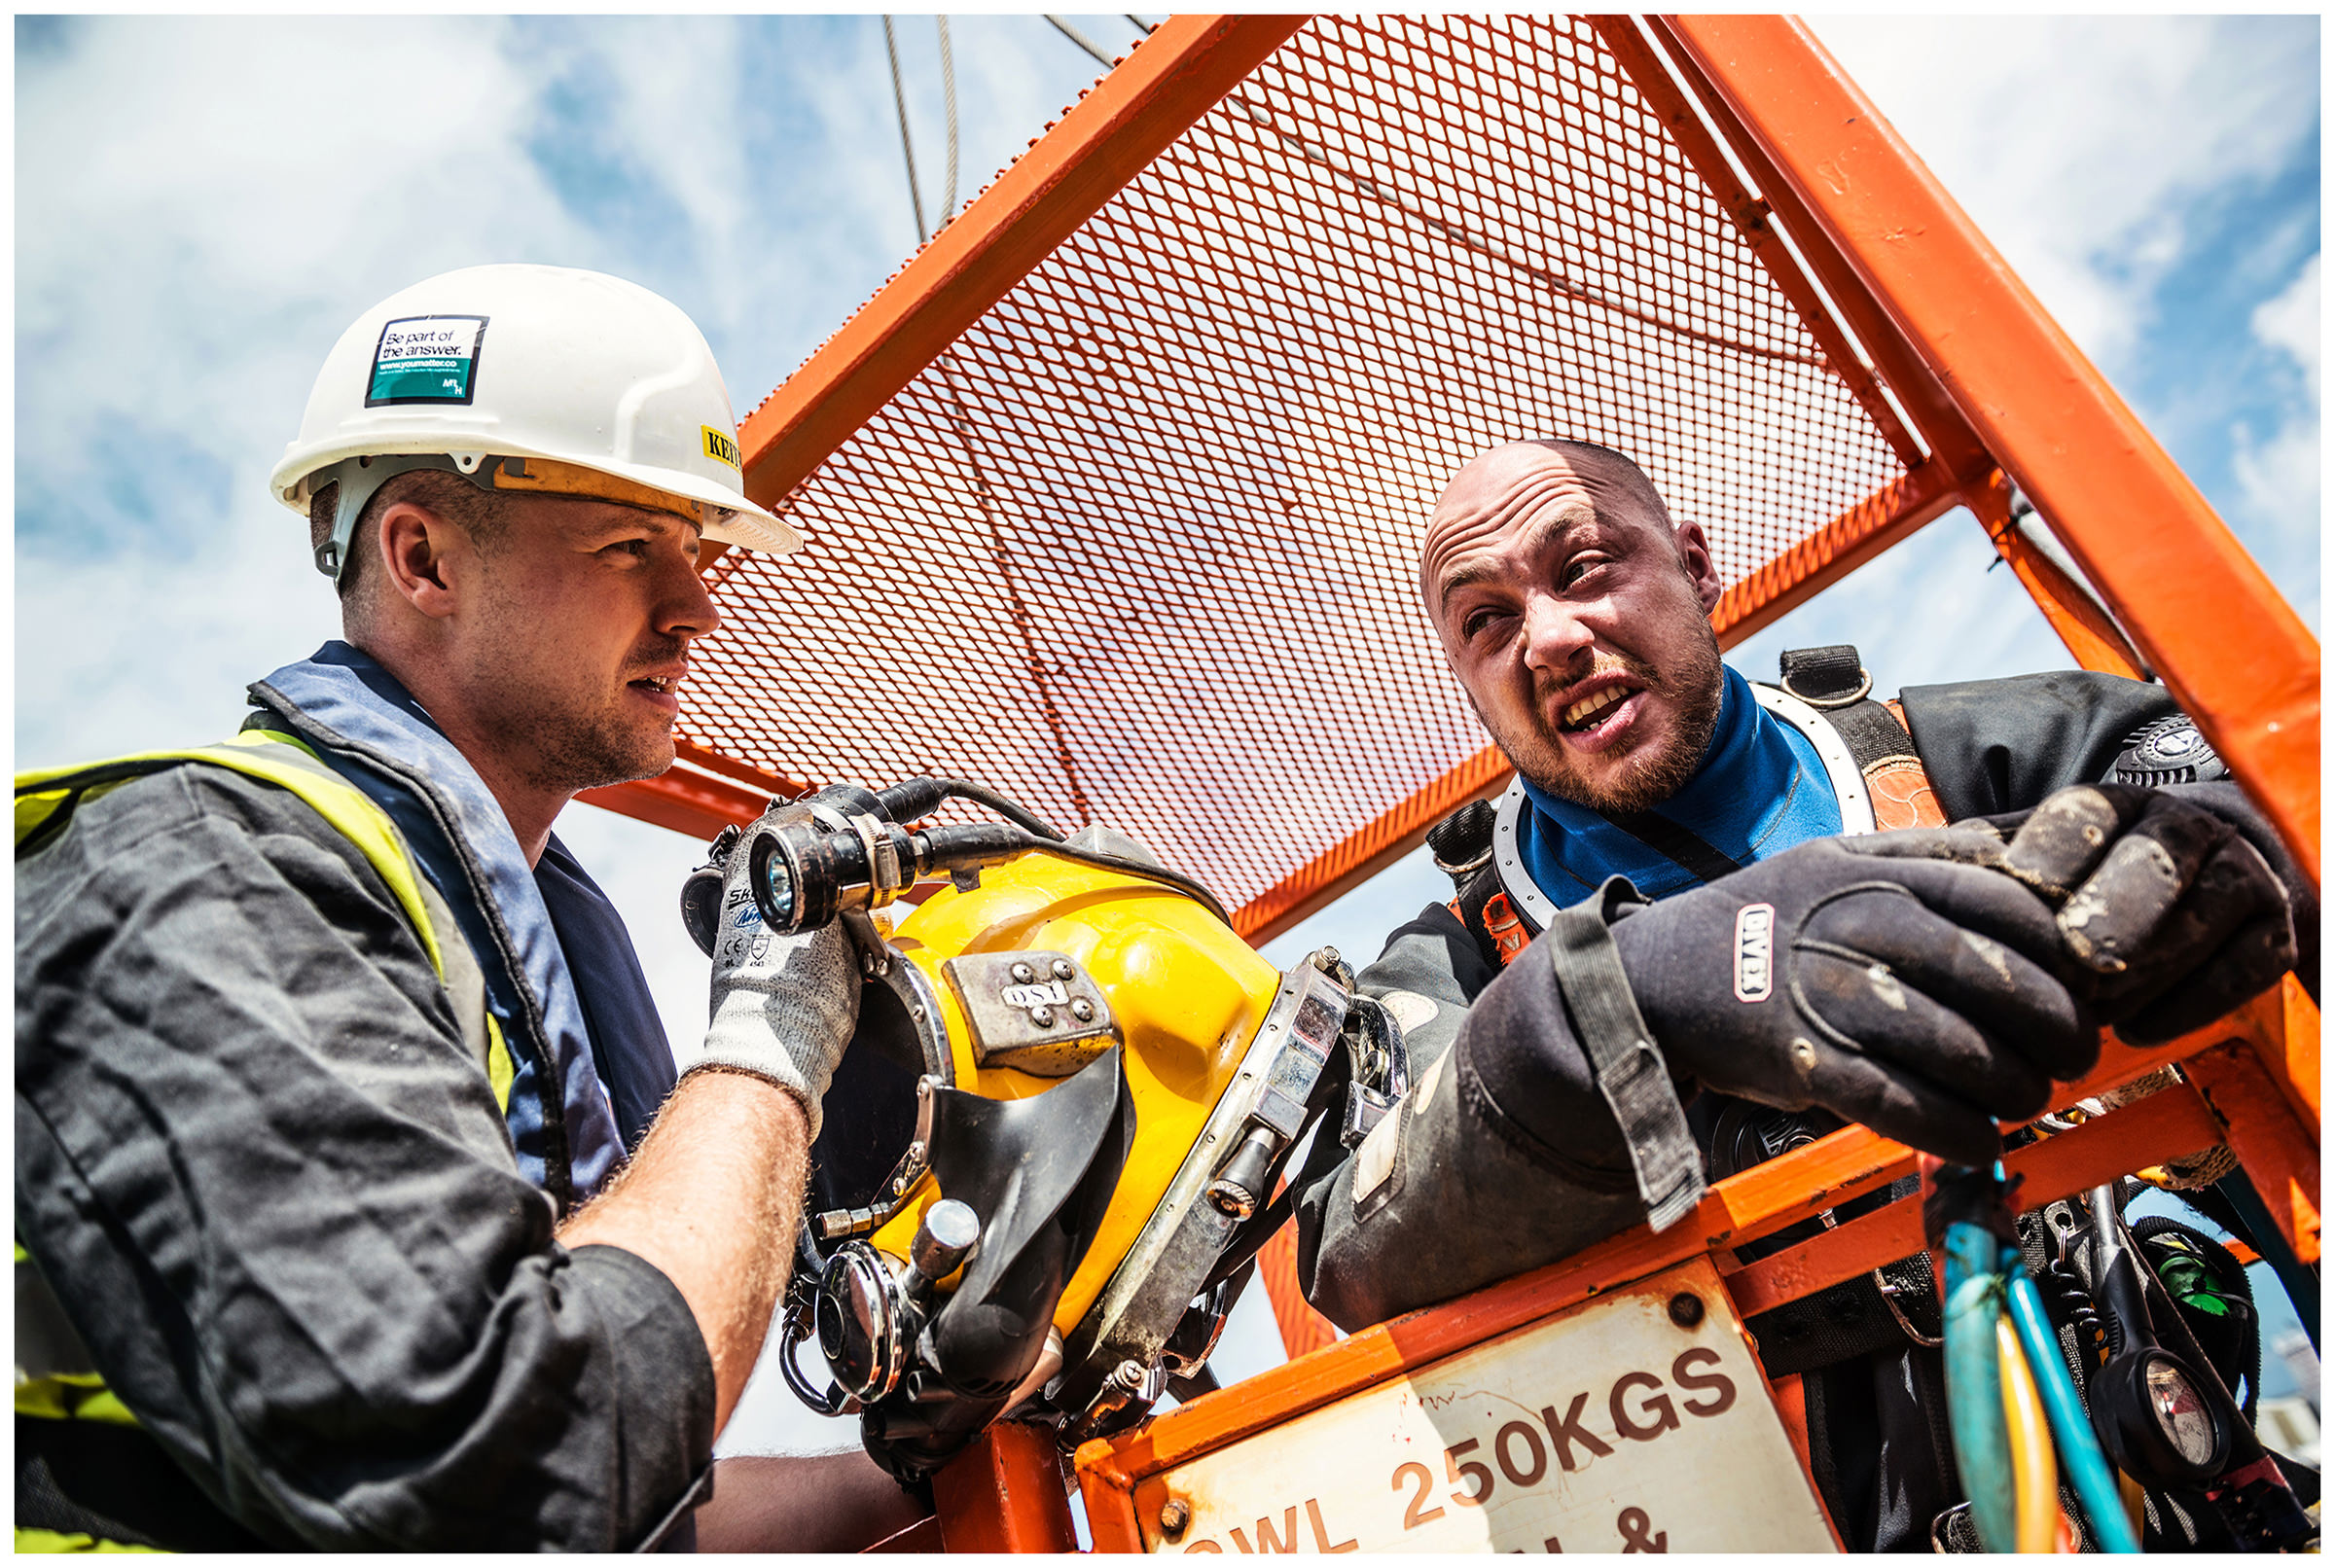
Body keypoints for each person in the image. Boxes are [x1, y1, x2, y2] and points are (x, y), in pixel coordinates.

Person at [15, 266, 928, 1551]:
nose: (698, 609)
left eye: (700, 552)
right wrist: (769, 1042)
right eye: (631, 547)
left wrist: (956, 1484)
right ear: (423, 556)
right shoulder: (192, 887)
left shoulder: (510, 936)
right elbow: (513, 1473)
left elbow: (617, 1514)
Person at [1292, 438, 2312, 1550]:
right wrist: (1620, 999)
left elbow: (2239, 773)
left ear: (1695, 565)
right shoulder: (1459, 956)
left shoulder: (1946, 756)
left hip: (2141, 1460)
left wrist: (2233, 846)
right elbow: (1347, 1248)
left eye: (1583, 567)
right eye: (1486, 622)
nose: (1548, 638)